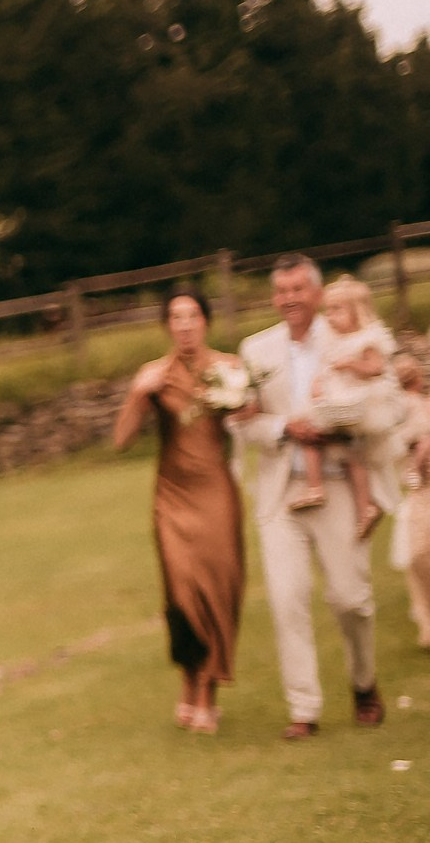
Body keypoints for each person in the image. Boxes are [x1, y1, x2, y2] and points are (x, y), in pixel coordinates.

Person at [229, 255, 385, 738]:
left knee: (350, 598)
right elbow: (244, 422)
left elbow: (382, 401)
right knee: (287, 599)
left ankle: (364, 682)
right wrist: (284, 427)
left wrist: (334, 424)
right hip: (282, 491)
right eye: (281, 290)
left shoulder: (347, 336)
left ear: (317, 293)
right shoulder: (256, 350)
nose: (289, 299)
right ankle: (304, 708)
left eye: (298, 289)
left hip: (337, 483)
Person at [111, 289, 248, 733]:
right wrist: (138, 395)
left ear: (206, 321)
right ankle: (190, 681)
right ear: (167, 325)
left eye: (192, 316)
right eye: (176, 317)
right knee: (181, 594)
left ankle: (207, 690)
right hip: (172, 496)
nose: (185, 325)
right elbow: (121, 440)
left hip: (216, 493)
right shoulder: (155, 374)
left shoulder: (229, 368)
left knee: (218, 587)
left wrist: (241, 402)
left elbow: (252, 419)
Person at [284, 275, 403, 538]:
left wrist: (352, 364)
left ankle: (365, 506)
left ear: (357, 311)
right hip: (335, 402)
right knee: (311, 435)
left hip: (359, 402)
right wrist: (318, 384)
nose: (329, 317)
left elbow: (377, 368)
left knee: (354, 457)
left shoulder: (367, 339)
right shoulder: (330, 340)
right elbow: (324, 368)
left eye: (337, 310)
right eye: (327, 310)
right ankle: (317, 486)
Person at [393, 353, 430, 648]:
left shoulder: (424, 405)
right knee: (418, 555)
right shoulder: (396, 410)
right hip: (418, 490)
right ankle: (426, 622)